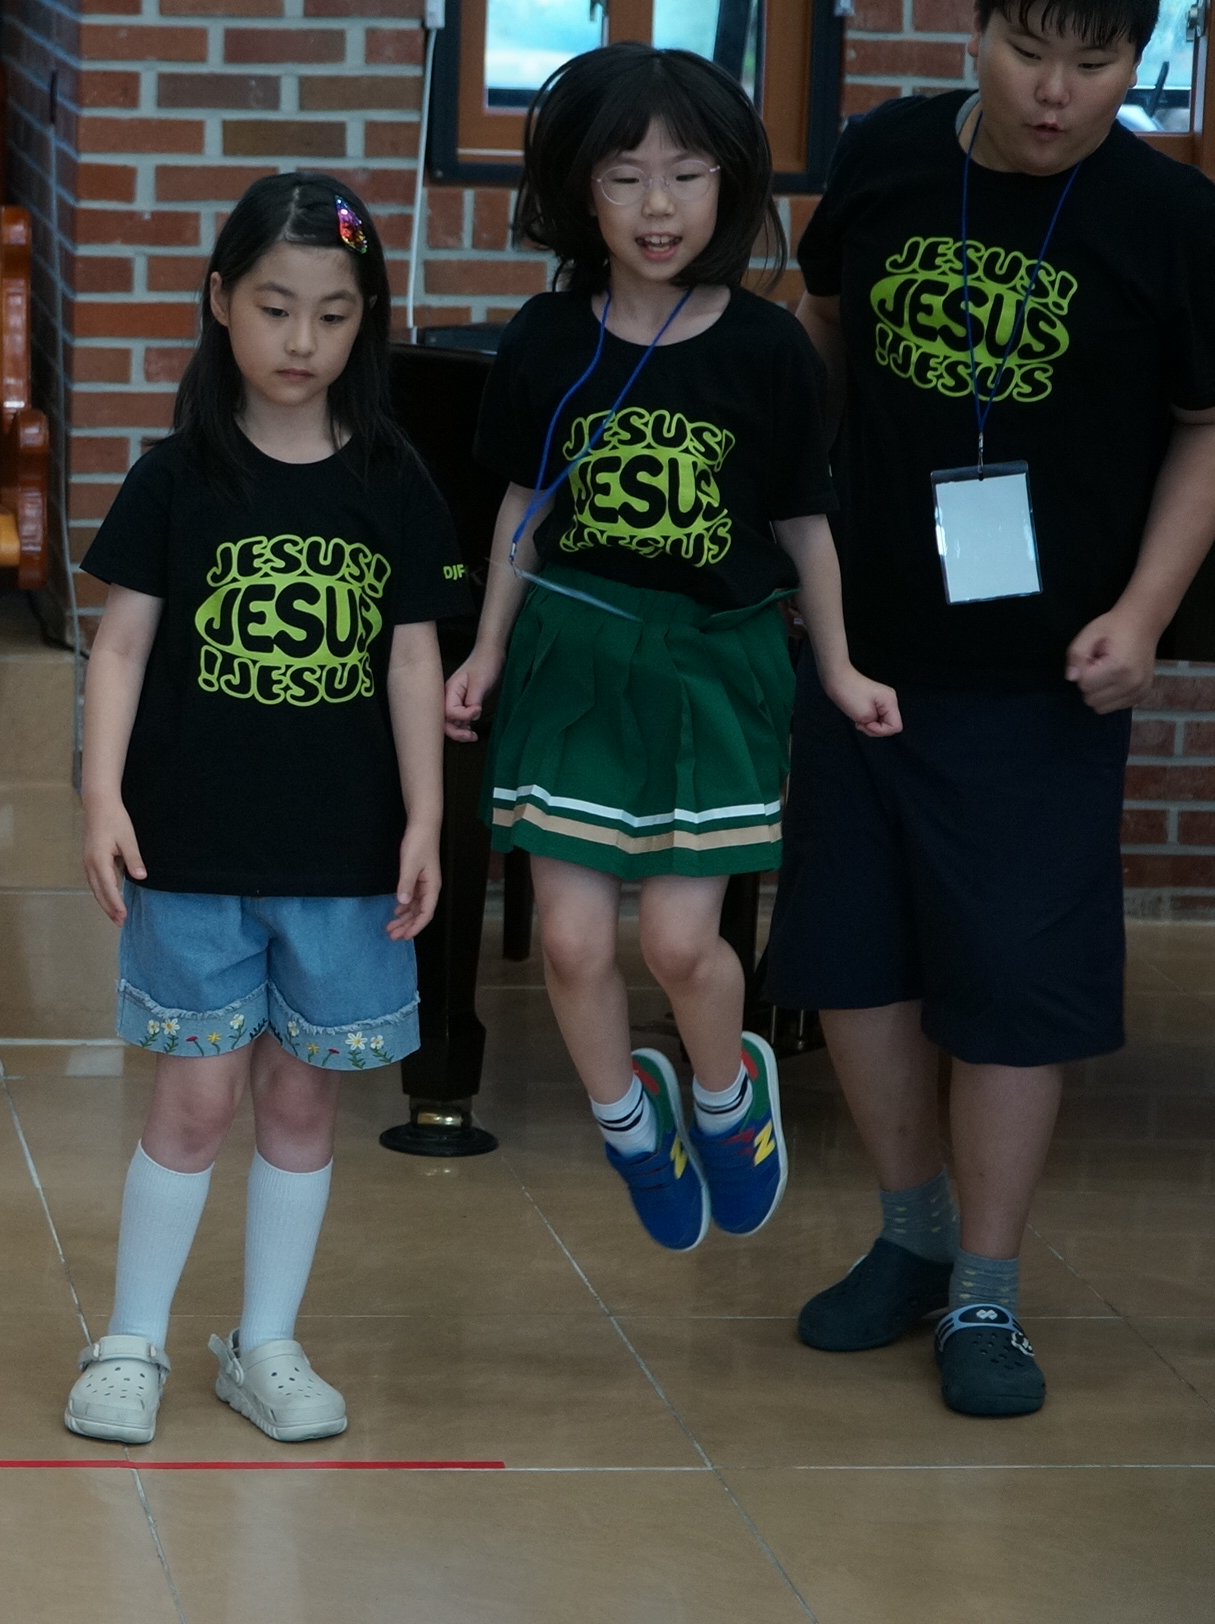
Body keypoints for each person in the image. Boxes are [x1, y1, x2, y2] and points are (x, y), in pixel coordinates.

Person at [766, 0, 1215, 1417]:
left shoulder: (1170, 218)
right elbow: (821, 326)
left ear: (1138, 60)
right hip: (867, 651)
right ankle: (909, 1237)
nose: (1056, 94)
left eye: (1096, 66)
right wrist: (789, 526)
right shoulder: (887, 155)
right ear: (977, 31)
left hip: (1044, 675)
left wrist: (1145, 613)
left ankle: (986, 1288)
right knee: (855, 961)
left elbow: (1207, 430)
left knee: (1013, 987)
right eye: (1031, 53)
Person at [444, 44, 899, 1253]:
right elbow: (524, 506)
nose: (658, 205)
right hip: (576, 658)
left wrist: (839, 667)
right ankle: (629, 1125)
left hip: (716, 664)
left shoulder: (769, 352)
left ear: (729, 186)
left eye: (687, 175)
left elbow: (806, 526)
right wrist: (486, 649)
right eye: (625, 176)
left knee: (681, 943)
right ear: (578, 192)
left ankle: (725, 1098)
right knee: (570, 940)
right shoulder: (546, 340)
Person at [64, 173, 469, 1446]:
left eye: (334, 315)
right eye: (276, 307)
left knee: (301, 1103)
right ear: (220, 302)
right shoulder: (176, 476)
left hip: (344, 863)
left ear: (366, 323)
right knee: (194, 1102)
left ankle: (266, 1343)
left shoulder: (394, 480)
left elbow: (414, 659)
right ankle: (130, 1340)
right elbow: (121, 648)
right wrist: (99, 794)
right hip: (190, 854)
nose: (303, 340)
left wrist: (424, 819)